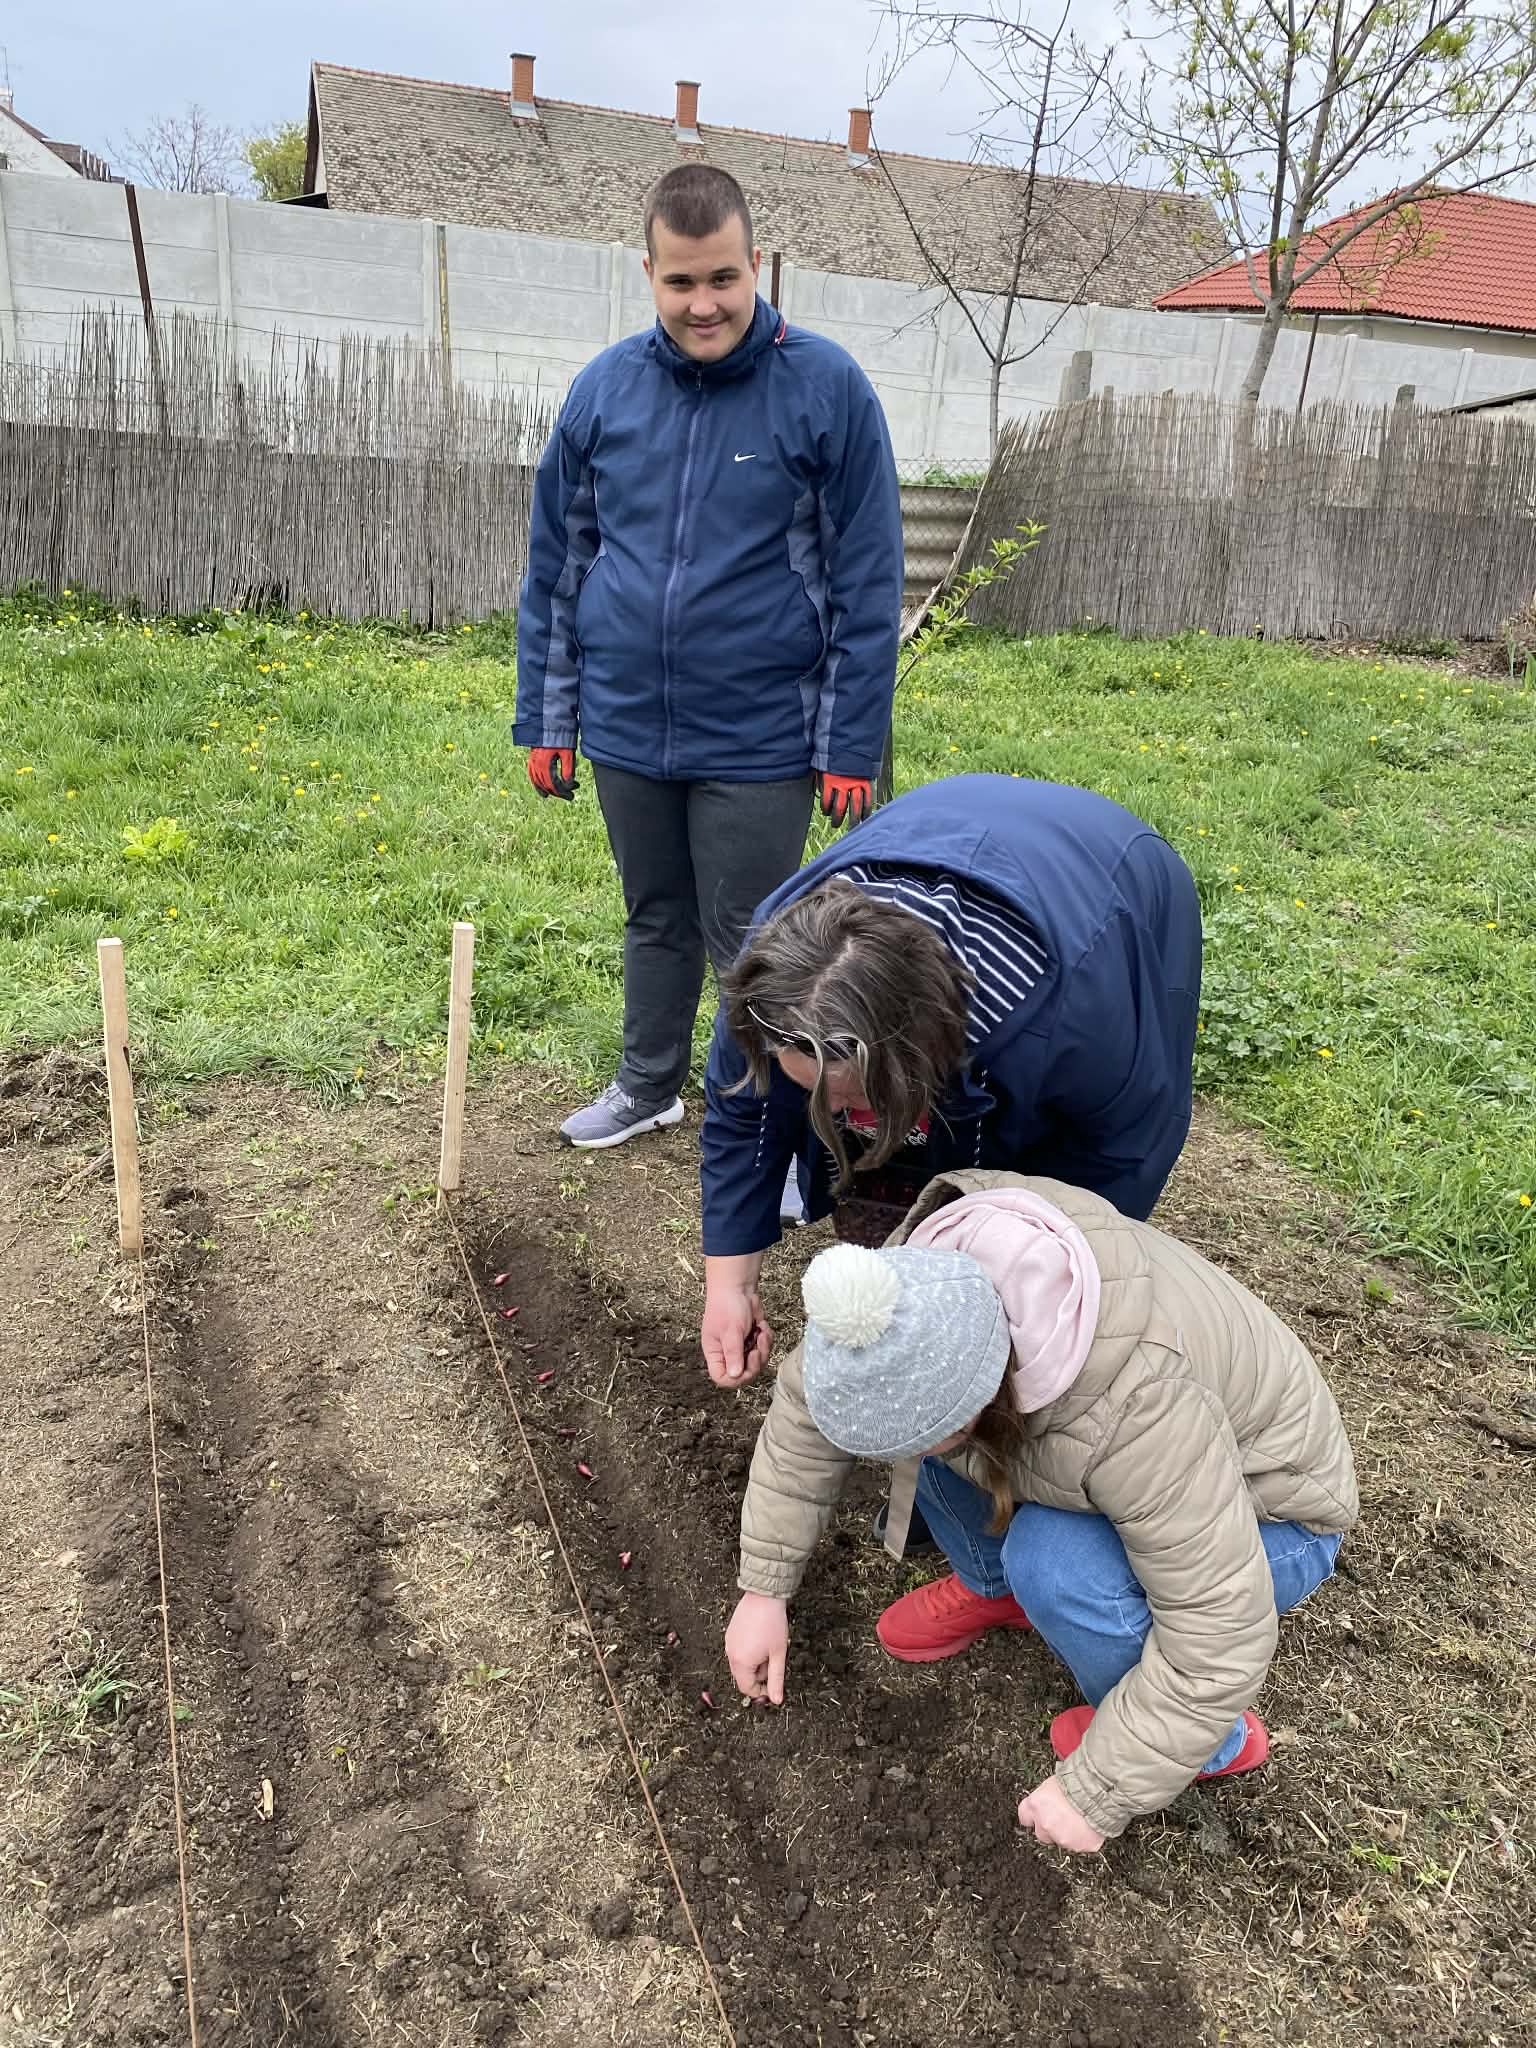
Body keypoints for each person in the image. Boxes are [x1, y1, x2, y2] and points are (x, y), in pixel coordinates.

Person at [723, 1170, 1359, 1852]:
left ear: (977, 1403)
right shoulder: (907, 1291)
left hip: (1272, 1512)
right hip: (1122, 1463)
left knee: (1053, 1563)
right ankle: (994, 1588)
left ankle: (1217, 1745)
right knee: (926, 1451)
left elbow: (1218, 1627)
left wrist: (1100, 1788)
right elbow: (803, 1421)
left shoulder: (1140, 1408)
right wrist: (764, 1590)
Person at [514, 162, 902, 1151]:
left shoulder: (826, 391)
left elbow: (866, 583)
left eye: (723, 278)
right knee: (654, 916)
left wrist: (849, 744)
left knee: (758, 943)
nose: (703, 304)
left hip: (759, 733)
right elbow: (559, 565)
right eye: (681, 281)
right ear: (648, 273)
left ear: (755, 264)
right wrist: (550, 719)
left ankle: (763, 1124)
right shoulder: (604, 391)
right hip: (628, 723)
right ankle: (648, 1085)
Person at [698, 774, 1204, 1404]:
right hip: (938, 828)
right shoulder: (776, 985)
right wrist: (732, 1285)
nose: (829, 1115)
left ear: (919, 1046)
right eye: (810, 1093)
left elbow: (1122, 1151)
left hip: (1114, 874)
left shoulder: (1079, 1015)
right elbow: (744, 1116)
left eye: (849, 1099)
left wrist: (1037, 1288)